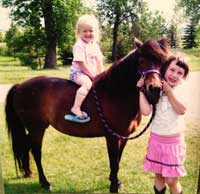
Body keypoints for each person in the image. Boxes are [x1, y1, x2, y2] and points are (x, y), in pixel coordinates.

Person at [137, 56, 189, 194]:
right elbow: (146, 111)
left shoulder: (180, 89)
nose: (174, 75)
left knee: (172, 180)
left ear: (183, 77)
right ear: (165, 69)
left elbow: (181, 110)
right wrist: (141, 91)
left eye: (179, 73)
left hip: (173, 142)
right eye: (172, 70)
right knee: (159, 175)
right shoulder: (155, 87)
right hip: (156, 140)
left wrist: (170, 92)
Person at [64, 14, 104, 123]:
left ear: (95, 32)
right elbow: (81, 63)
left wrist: (101, 76)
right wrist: (92, 76)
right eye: (84, 31)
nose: (88, 33)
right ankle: (76, 107)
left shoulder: (95, 46)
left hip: (91, 74)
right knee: (87, 84)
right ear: (79, 32)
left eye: (90, 31)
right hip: (78, 73)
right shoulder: (79, 45)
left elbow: (99, 62)